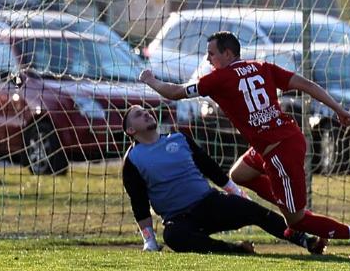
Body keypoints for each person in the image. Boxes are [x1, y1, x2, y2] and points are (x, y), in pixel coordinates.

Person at [139, 32, 350, 259]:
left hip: (279, 151)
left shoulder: (218, 78)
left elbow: (175, 92)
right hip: (282, 139)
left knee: (295, 222)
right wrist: (338, 109)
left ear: (228, 54)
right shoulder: (261, 67)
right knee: (240, 174)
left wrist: (150, 79)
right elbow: (306, 84)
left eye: (211, 53)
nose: (207, 58)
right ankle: (288, 203)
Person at [121, 104, 325, 255]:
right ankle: (236, 249)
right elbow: (138, 202)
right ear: (131, 131)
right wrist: (149, 241)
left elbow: (210, 168)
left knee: (255, 211)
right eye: (139, 115)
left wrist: (236, 192)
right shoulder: (133, 160)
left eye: (146, 111)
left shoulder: (179, 139)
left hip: (209, 203)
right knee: (173, 237)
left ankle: (305, 240)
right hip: (180, 218)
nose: (146, 113)